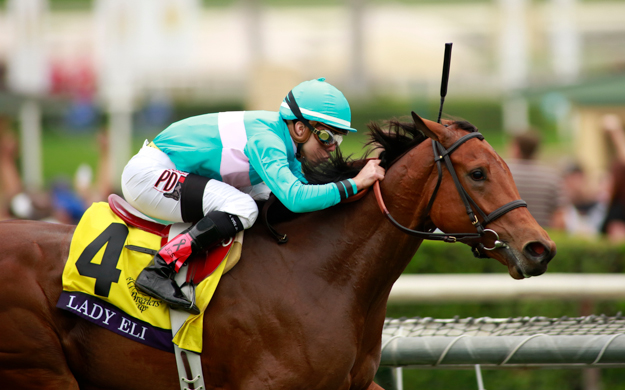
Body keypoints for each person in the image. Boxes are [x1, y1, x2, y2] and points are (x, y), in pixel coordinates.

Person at [121, 78, 386, 314]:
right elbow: (297, 197)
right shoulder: (268, 139)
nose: (331, 149)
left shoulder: (287, 144)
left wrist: (355, 176)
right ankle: (159, 269)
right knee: (243, 206)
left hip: (174, 172)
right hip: (148, 175)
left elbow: (304, 193)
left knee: (263, 196)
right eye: (327, 137)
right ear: (300, 129)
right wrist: (355, 183)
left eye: (337, 140)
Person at [506, 131, 567, 229]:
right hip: (542, 237)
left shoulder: (504, 173)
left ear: (516, 148)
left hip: (510, 235)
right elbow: (559, 218)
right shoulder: (552, 176)